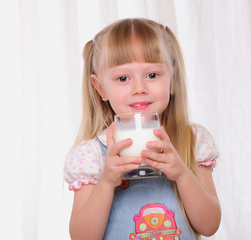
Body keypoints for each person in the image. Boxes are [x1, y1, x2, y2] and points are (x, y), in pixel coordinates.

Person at [64, 18, 221, 240]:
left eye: (152, 75)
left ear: (172, 79)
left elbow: (209, 225)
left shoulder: (192, 140)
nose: (139, 88)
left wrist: (182, 175)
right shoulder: (91, 155)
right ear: (100, 88)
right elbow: (82, 237)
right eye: (123, 78)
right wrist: (107, 182)